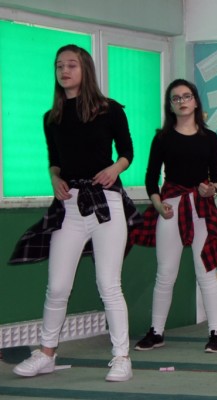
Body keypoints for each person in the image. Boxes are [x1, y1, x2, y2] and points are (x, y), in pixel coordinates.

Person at [10, 44, 139, 382]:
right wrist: (54, 179)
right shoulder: (51, 117)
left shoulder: (109, 109)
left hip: (105, 203)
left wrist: (115, 169)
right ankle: (46, 354)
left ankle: (121, 357)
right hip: (69, 206)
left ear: (85, 70)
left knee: (109, 284)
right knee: (57, 287)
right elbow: (55, 160)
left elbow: (127, 151)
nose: (64, 71)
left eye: (71, 65)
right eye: (59, 66)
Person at [130, 79, 217, 353]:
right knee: (165, 273)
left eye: (187, 96)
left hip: (201, 209)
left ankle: (216, 333)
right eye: (176, 98)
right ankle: (156, 332)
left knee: (206, 272)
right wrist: (158, 205)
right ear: (170, 106)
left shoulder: (210, 137)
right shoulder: (162, 138)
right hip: (170, 209)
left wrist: (212, 189)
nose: (182, 101)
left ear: (195, 101)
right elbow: (151, 179)